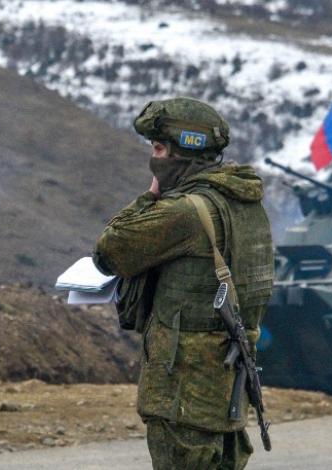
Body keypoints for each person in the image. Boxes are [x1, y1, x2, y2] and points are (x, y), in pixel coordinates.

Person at [93, 97, 274, 470]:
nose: (154, 158)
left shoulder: (186, 212)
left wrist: (151, 194)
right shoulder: (244, 204)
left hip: (183, 394)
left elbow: (110, 251)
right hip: (223, 389)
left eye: (160, 149)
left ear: (186, 152)